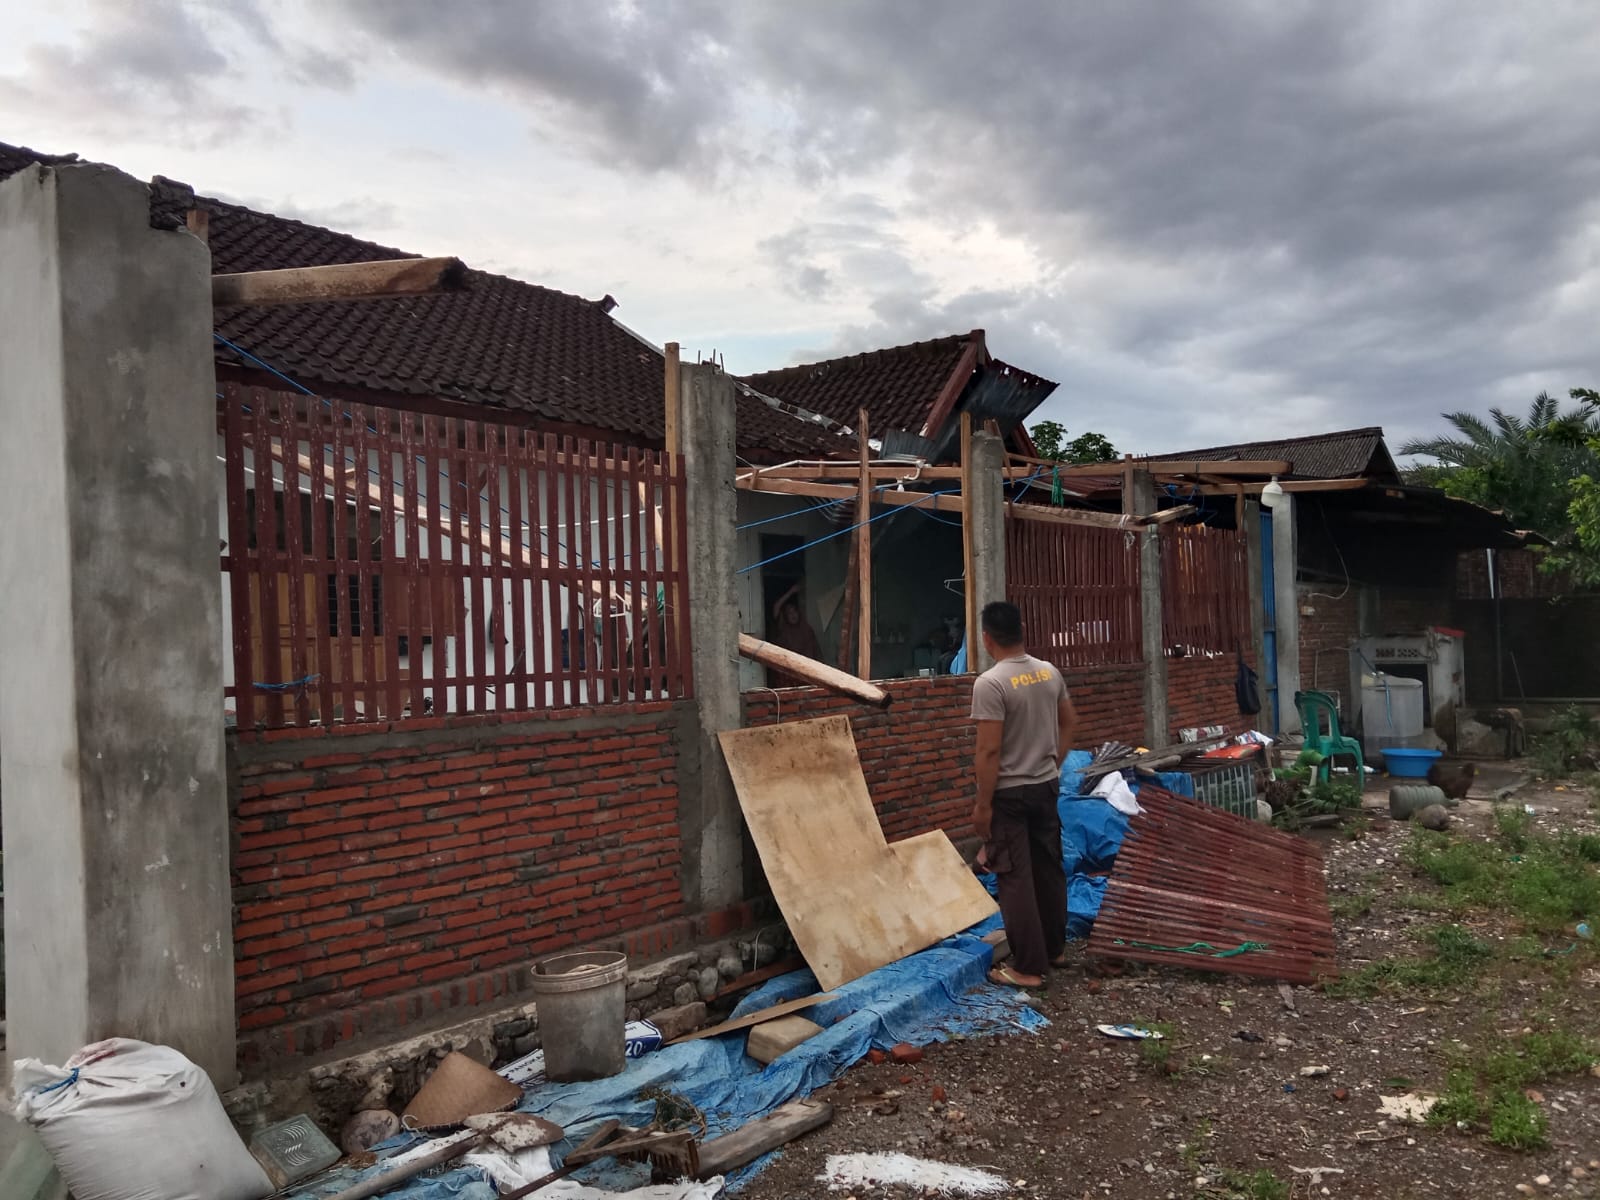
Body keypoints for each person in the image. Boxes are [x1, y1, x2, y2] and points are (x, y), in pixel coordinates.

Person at [970, 600, 1076, 988]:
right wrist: (1053, 763)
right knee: (1049, 869)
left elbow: (989, 751)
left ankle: (1029, 968)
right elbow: (1069, 723)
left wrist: (983, 805)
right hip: (1045, 786)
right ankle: (1054, 949)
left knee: (1014, 878)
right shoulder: (1048, 672)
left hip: (1010, 795)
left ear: (986, 638)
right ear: (1021, 631)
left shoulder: (991, 683)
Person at [767, 579, 821, 687]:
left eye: (794, 611)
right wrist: (791, 592)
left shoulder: (805, 629)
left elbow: (815, 653)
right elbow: (776, 607)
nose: (793, 615)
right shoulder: (783, 628)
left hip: (806, 674)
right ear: (785, 616)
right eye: (789, 613)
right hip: (787, 676)